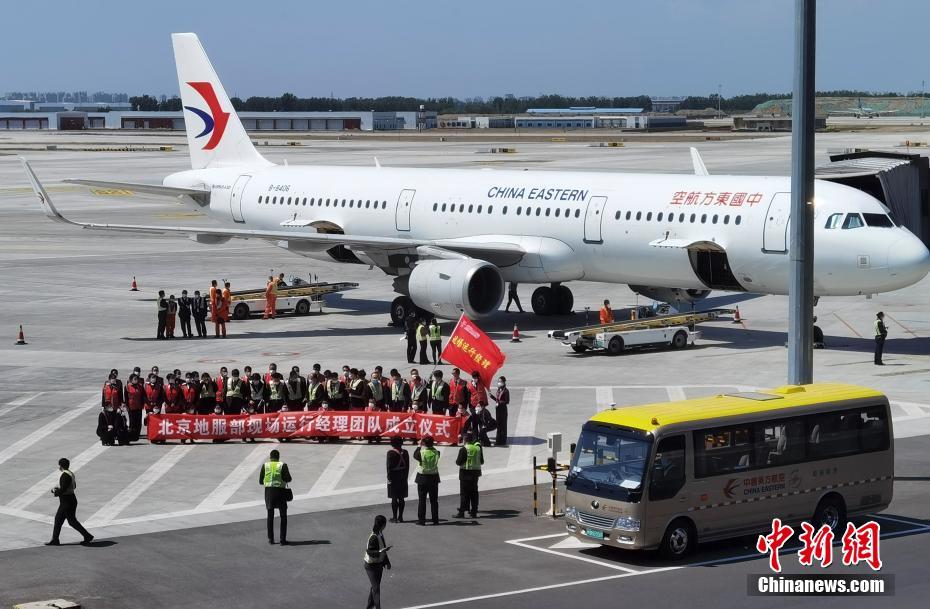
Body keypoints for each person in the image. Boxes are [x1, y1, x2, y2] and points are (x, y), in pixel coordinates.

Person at [46, 458, 93, 546]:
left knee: (68, 521)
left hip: (66, 502)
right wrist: (60, 489)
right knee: (63, 520)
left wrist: (55, 491)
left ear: (61, 466)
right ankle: (55, 539)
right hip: (70, 499)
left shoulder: (64, 475)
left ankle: (87, 536)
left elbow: (63, 489)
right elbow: (74, 486)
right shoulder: (70, 473)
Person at [258, 449, 292, 545]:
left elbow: (260, 481)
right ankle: (282, 540)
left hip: (269, 492)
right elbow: (289, 479)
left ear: (270, 457)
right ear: (278, 457)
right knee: (283, 516)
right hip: (280, 492)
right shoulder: (283, 465)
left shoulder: (265, 465)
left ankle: (271, 539)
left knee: (270, 516)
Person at [363, 515, 391, 609]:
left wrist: (387, 562)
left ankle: (369, 606)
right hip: (371, 566)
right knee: (376, 588)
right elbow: (369, 552)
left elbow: (383, 548)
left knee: (375, 586)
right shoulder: (374, 537)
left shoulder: (380, 534)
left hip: (378, 565)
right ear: (382, 525)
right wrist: (379, 552)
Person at [455, 432, 484, 519]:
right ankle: (474, 511)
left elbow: (458, 462)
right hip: (475, 474)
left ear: (465, 440)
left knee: (464, 493)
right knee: (474, 493)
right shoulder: (478, 448)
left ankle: (462, 512)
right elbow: (482, 461)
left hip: (465, 474)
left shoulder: (464, 449)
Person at [414, 436, 441, 525]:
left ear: (424, 443)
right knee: (434, 501)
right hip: (434, 478)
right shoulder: (437, 452)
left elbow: (415, 454)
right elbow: (434, 450)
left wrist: (419, 446)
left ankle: (422, 520)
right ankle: (435, 519)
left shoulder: (421, 453)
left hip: (422, 478)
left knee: (422, 500)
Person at [386, 436, 409, 522]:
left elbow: (389, 467)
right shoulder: (405, 452)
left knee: (394, 498)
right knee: (401, 498)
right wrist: (406, 476)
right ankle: (401, 517)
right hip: (403, 477)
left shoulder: (390, 453)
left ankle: (394, 517)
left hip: (394, 477)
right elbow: (407, 466)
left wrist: (389, 477)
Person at [489, 376, 510, 446]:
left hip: (503, 409)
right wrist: (491, 396)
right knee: (498, 425)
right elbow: (497, 400)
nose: (499, 383)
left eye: (500, 381)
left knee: (503, 425)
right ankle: (498, 440)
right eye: (498, 381)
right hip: (498, 409)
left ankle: (503, 441)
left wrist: (499, 403)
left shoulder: (506, 391)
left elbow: (507, 401)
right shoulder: (498, 390)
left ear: (504, 382)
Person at [125, 374, 146, 442]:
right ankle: (131, 435)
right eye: (134, 379)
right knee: (132, 422)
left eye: (137, 379)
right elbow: (126, 397)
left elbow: (143, 396)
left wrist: (143, 404)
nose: (136, 380)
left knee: (138, 422)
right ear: (131, 380)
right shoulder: (127, 387)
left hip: (138, 407)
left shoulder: (140, 386)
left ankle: (137, 435)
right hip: (131, 407)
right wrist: (127, 406)